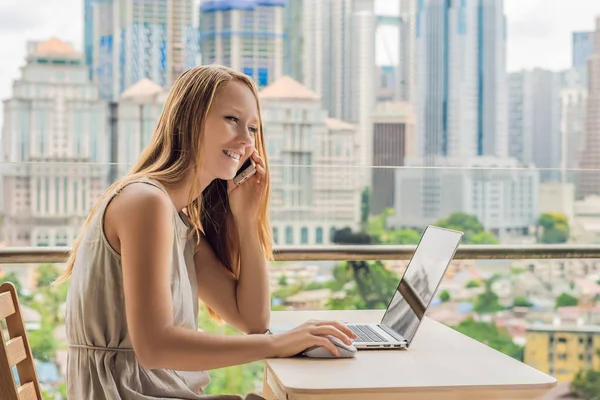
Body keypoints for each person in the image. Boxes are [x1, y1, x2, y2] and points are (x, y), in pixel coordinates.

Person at [59, 65, 357, 400]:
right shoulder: (146, 202)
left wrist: (246, 218)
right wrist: (276, 345)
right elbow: (155, 347)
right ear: (190, 120)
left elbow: (252, 319)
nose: (246, 140)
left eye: (253, 128)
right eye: (232, 119)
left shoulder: (177, 219)